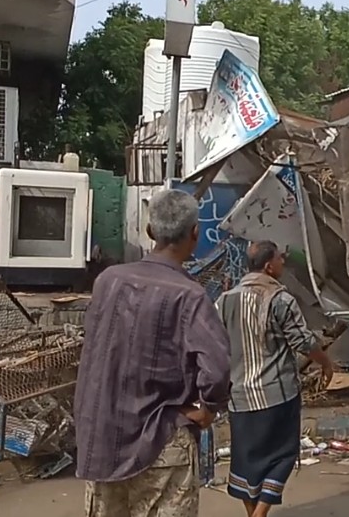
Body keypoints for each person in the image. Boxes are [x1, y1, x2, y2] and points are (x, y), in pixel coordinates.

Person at [74, 189, 231, 517]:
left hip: (102, 441)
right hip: (161, 442)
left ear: (149, 232)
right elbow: (216, 371)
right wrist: (210, 409)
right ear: (195, 234)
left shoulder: (107, 282)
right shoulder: (190, 296)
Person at [216, 240, 336, 517]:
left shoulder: (224, 301)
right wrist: (326, 363)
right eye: (281, 259)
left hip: (240, 397)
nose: (284, 261)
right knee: (282, 456)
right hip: (277, 395)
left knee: (247, 462)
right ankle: (260, 514)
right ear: (269, 266)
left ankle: (253, 514)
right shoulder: (280, 299)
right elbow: (303, 341)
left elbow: (215, 343)